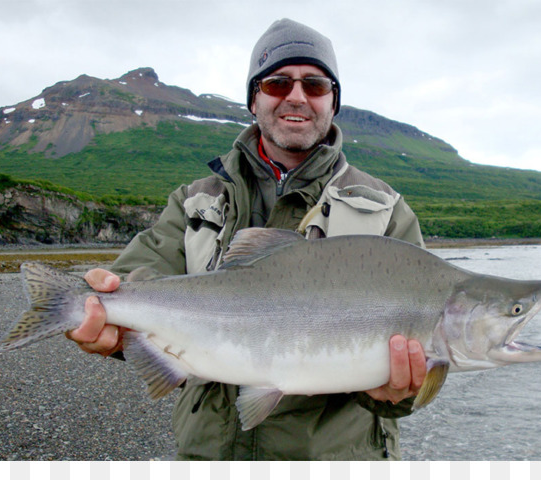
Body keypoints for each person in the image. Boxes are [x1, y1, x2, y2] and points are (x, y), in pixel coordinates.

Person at [64, 18, 428, 460]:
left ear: (334, 102)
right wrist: (106, 323)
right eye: (277, 83)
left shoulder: (388, 213)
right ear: (254, 99)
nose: (296, 96)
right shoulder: (193, 201)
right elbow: (133, 283)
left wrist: (397, 392)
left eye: (314, 85)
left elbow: (413, 379)